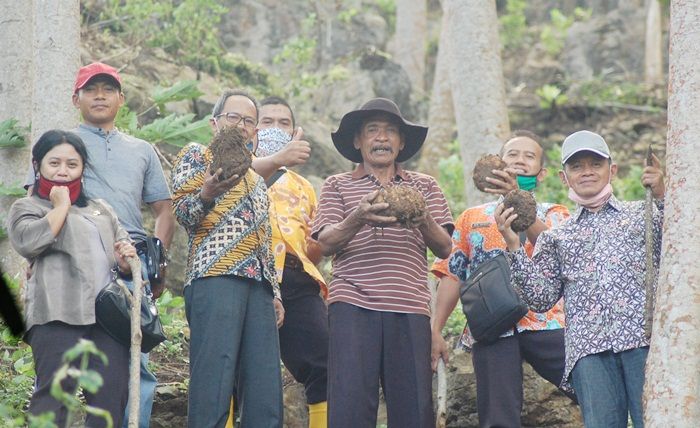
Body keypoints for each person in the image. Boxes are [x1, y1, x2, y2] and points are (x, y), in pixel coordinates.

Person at [24, 62, 176, 428]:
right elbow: (36, 200)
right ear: (75, 98)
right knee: (60, 363)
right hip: (69, 259)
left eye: (108, 89)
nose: (100, 96)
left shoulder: (141, 150)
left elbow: (164, 208)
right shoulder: (61, 146)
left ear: (121, 98)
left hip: (127, 265)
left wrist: (156, 258)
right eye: (91, 90)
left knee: (130, 364)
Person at [495, 130, 665, 427]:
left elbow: (682, 241)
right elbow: (541, 298)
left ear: (612, 170)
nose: (587, 172)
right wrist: (513, 245)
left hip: (643, 342)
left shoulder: (643, 214)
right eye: (577, 166)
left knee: (655, 422)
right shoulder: (557, 236)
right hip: (589, 352)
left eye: (595, 164)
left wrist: (662, 193)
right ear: (564, 177)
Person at [311, 98, 454, 427]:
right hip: (352, 304)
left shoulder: (424, 186)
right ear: (358, 141)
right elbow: (325, 243)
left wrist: (422, 218)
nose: (382, 138)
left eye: (391, 131)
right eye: (372, 130)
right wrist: (358, 216)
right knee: (349, 404)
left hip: (410, 307)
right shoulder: (337, 185)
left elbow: (446, 248)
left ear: (402, 143)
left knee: (413, 406)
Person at [430, 131, 573, 428]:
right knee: (497, 418)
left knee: (586, 384)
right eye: (512, 155)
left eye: (529, 156)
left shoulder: (554, 213)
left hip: (546, 322)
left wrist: (515, 199)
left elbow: (560, 251)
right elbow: (452, 273)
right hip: (493, 325)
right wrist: (435, 329)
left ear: (542, 173)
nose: (520, 160)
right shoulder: (472, 217)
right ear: (499, 164)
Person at [8, 130, 137, 427]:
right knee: (53, 400)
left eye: (72, 164)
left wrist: (125, 259)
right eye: (54, 163)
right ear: (37, 165)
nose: (63, 172)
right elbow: (29, 243)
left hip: (106, 320)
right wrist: (61, 206)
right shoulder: (27, 208)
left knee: (110, 400)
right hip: (56, 315)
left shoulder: (101, 209)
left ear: (83, 168)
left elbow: (124, 253)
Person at [172, 89, 284, 427]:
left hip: (259, 288)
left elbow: (264, 240)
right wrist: (206, 193)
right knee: (213, 382)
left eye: (249, 121)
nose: (241, 125)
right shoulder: (197, 155)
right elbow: (183, 213)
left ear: (255, 132)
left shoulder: (256, 180)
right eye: (233, 117)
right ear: (215, 122)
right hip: (215, 278)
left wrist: (275, 292)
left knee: (265, 388)